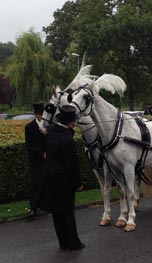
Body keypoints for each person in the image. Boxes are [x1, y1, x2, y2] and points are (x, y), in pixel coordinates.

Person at [41, 105, 85, 251]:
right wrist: (77, 183)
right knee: (68, 213)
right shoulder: (67, 139)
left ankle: (63, 243)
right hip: (63, 181)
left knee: (57, 213)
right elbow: (71, 164)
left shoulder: (51, 134)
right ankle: (73, 243)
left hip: (50, 179)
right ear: (71, 122)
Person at [25, 102, 46, 220]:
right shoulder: (29, 127)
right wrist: (41, 153)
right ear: (36, 114)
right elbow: (30, 144)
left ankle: (45, 205)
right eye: (40, 114)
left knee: (48, 183)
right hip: (36, 161)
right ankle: (33, 208)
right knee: (36, 184)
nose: (42, 116)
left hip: (48, 159)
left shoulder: (47, 126)